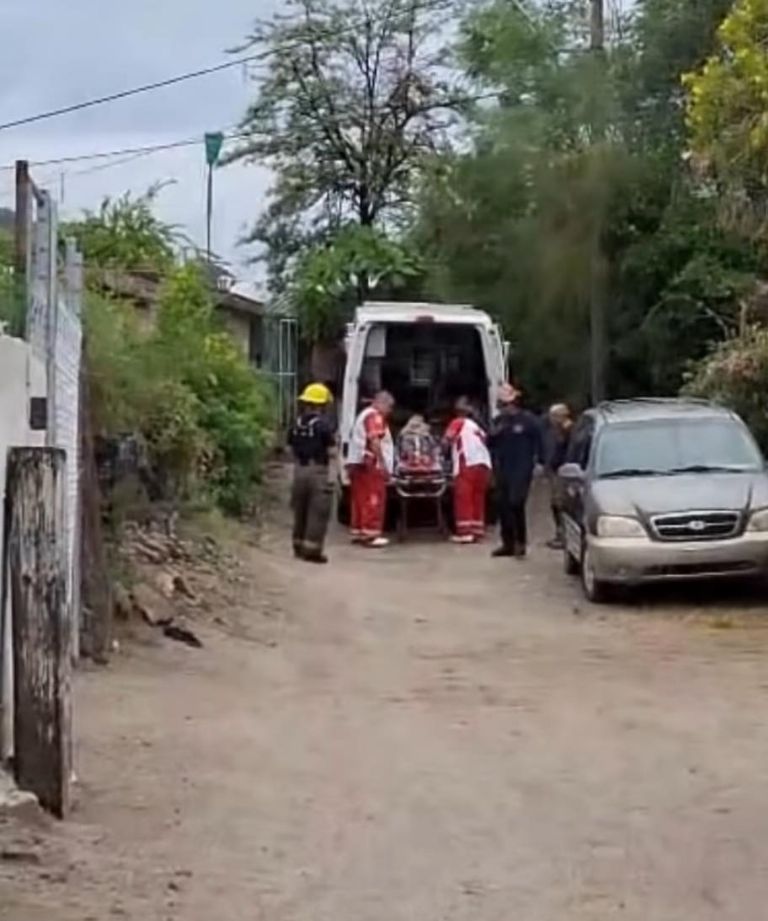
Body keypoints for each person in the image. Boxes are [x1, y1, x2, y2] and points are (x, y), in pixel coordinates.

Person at [488, 384, 542, 559]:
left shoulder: (529, 420)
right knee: (502, 506)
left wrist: (539, 462)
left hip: (522, 468)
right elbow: (490, 442)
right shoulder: (499, 421)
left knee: (516, 503)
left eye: (507, 404)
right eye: (502, 405)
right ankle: (507, 543)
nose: (505, 408)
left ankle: (521, 542)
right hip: (502, 468)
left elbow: (539, 441)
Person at [287, 383, 337, 564]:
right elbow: (331, 452)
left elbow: (290, 447)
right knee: (318, 511)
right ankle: (312, 550)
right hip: (318, 471)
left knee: (300, 509)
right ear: (322, 405)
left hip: (299, 470)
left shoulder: (296, 424)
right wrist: (332, 477)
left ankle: (298, 545)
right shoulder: (323, 426)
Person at [347, 391, 395, 548]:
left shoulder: (363, 415)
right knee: (373, 499)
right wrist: (383, 463)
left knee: (360, 499)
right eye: (389, 407)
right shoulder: (374, 416)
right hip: (370, 464)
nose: (390, 411)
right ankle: (371, 534)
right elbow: (374, 441)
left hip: (359, 464)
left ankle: (360, 531)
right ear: (382, 403)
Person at [444, 396, 492, 544]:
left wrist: (442, 452)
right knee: (478, 498)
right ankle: (477, 529)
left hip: (467, 463)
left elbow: (447, 439)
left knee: (464, 498)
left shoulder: (458, 422)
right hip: (483, 464)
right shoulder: (476, 426)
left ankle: (465, 532)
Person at [542, 403, 573, 549]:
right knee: (556, 504)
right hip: (557, 471)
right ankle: (561, 534)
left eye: (553, 416)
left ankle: (563, 535)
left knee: (560, 504)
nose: (551, 420)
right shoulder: (559, 431)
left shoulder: (567, 431)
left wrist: (552, 464)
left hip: (563, 472)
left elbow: (562, 452)